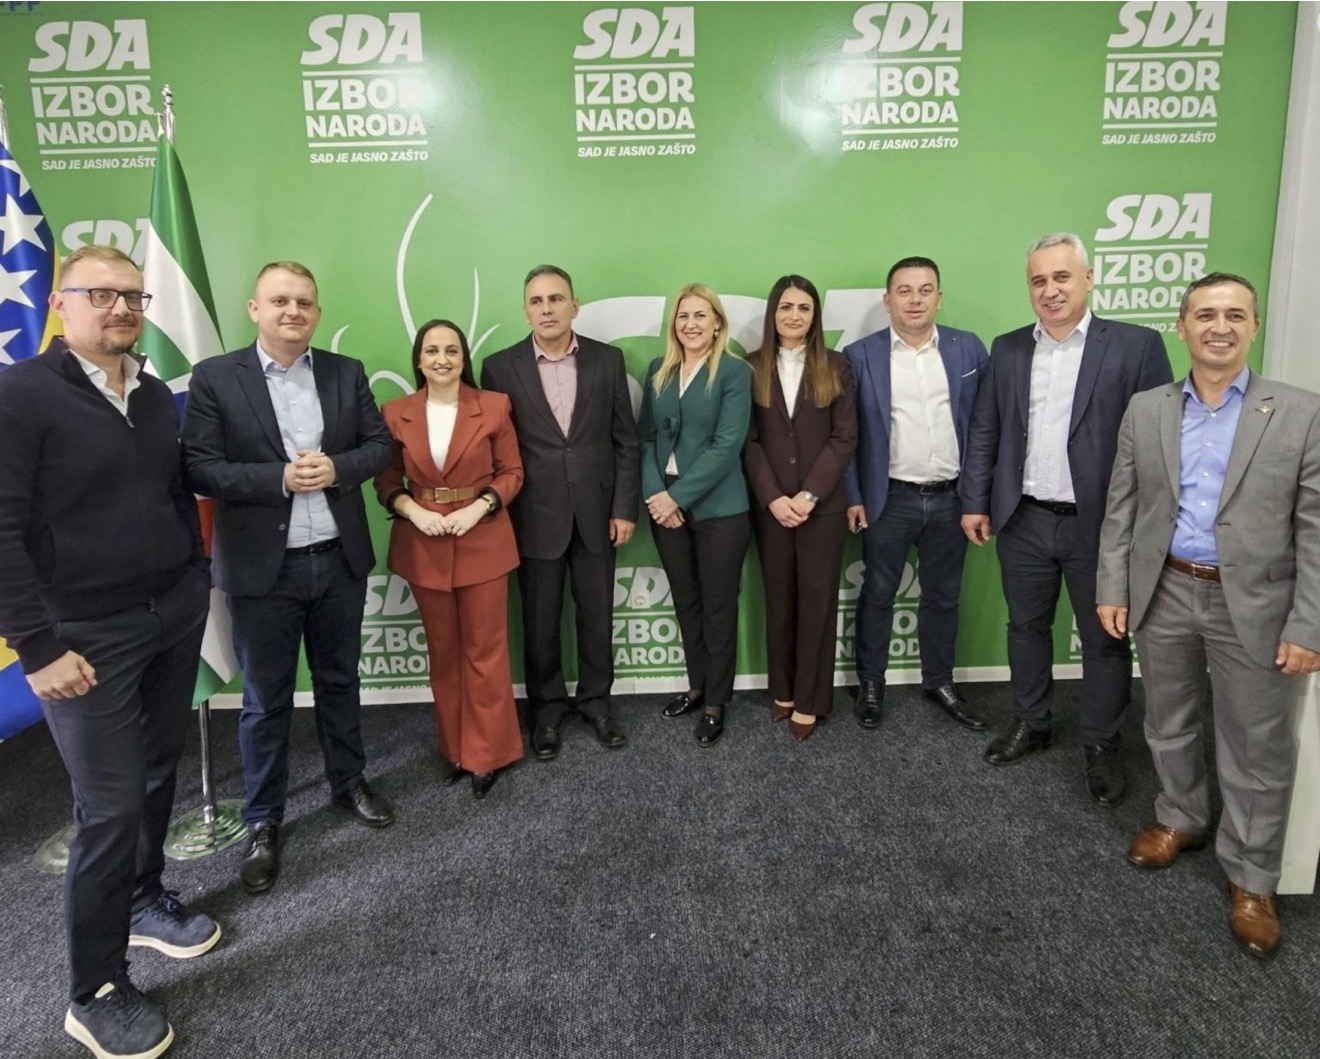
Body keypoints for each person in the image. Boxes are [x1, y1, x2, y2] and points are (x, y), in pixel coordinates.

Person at [0, 245, 218, 1059]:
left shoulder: (153, 393)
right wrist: (37, 646)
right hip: (82, 639)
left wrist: (195, 576)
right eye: (102, 294)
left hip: (171, 614)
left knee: (158, 769)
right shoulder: (20, 395)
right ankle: (93, 990)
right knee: (110, 804)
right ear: (62, 303)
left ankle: (143, 896)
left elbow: (172, 493)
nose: (122, 308)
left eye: (133, 296)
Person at [1096, 272, 1320, 960]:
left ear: (1254, 326)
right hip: (1164, 588)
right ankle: (1181, 817)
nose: (1219, 327)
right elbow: (1122, 506)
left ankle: (1252, 877)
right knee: (1167, 719)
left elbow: (1315, 530)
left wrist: (1309, 624)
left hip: (1257, 602)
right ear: (1182, 325)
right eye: (1205, 315)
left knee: (1257, 744)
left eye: (1234, 315)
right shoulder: (1148, 409)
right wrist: (1113, 585)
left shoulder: (1301, 412)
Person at [181, 261, 396, 897]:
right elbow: (198, 467)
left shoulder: (345, 372)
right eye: (279, 300)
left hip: (337, 560)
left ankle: (348, 783)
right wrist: (277, 478)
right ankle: (263, 821)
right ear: (255, 309)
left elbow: (380, 446)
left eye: (304, 301)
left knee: (339, 682)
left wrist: (338, 469)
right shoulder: (216, 377)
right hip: (261, 571)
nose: (293, 311)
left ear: (317, 313)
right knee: (265, 701)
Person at [959, 233, 1172, 806]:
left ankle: (1102, 743)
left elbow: (1158, 445)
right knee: (1025, 628)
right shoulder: (1008, 349)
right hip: (1023, 518)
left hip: (1099, 526)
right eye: (1038, 280)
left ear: (1088, 278)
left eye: (1061, 277)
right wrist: (975, 501)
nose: (1050, 290)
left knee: (1104, 640)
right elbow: (986, 429)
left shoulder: (1136, 346)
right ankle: (1032, 722)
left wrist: (1144, 525)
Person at [480, 265, 640, 761]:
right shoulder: (499, 368)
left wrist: (624, 508)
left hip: (598, 515)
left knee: (597, 617)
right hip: (533, 517)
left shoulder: (607, 360)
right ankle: (546, 711)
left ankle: (597, 704)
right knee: (540, 622)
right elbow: (495, 452)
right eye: (537, 301)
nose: (547, 309)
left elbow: (626, 441)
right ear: (525, 310)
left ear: (575, 305)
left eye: (556, 299)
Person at [376, 320, 525, 798]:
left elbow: (512, 471)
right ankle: (456, 749)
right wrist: (413, 510)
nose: (442, 359)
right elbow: (385, 481)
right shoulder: (395, 413)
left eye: (452, 350)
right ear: (419, 360)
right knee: (443, 653)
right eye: (432, 350)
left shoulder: (494, 406)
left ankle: (489, 753)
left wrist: (480, 507)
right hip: (424, 544)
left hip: (483, 538)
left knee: (486, 652)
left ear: (464, 358)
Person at [844, 257, 989, 732]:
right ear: (888, 300)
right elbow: (847, 435)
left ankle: (939, 682)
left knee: (943, 597)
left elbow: (985, 428)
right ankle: (870, 683)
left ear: (939, 298)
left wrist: (977, 499)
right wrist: (853, 495)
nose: (915, 300)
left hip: (952, 499)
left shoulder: (968, 348)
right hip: (889, 498)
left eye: (925, 290)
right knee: (878, 593)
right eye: (904, 291)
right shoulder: (860, 355)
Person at [639, 284, 753, 747]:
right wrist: (656, 495)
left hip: (719, 509)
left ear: (717, 323)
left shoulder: (734, 372)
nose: (690, 324)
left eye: (700, 316)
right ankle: (696, 687)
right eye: (683, 316)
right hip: (665, 506)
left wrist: (677, 498)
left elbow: (727, 446)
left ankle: (715, 703)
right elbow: (647, 438)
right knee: (686, 603)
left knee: (718, 607)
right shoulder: (658, 370)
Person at [743, 275, 856, 740]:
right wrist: (773, 497)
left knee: (817, 602)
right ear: (773, 313)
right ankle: (783, 690)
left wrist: (809, 495)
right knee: (778, 599)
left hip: (821, 509)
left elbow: (844, 437)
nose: (794, 315)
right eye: (786, 306)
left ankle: (810, 700)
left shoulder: (836, 365)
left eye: (804, 308)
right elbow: (747, 440)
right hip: (771, 507)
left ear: (815, 316)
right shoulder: (750, 366)